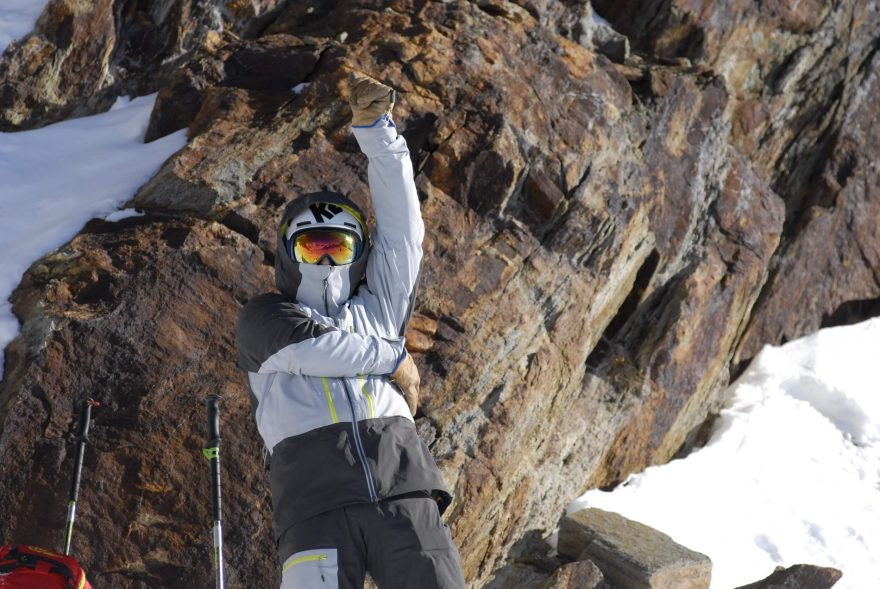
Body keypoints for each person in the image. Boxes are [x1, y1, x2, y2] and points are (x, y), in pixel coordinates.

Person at [236, 76, 466, 589]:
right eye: (310, 247)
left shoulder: (379, 311)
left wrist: (378, 134)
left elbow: (405, 231)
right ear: (287, 255)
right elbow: (315, 350)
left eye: (337, 248)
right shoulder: (264, 319)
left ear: (358, 254)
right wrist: (394, 359)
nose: (324, 260)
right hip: (314, 505)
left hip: (402, 488)